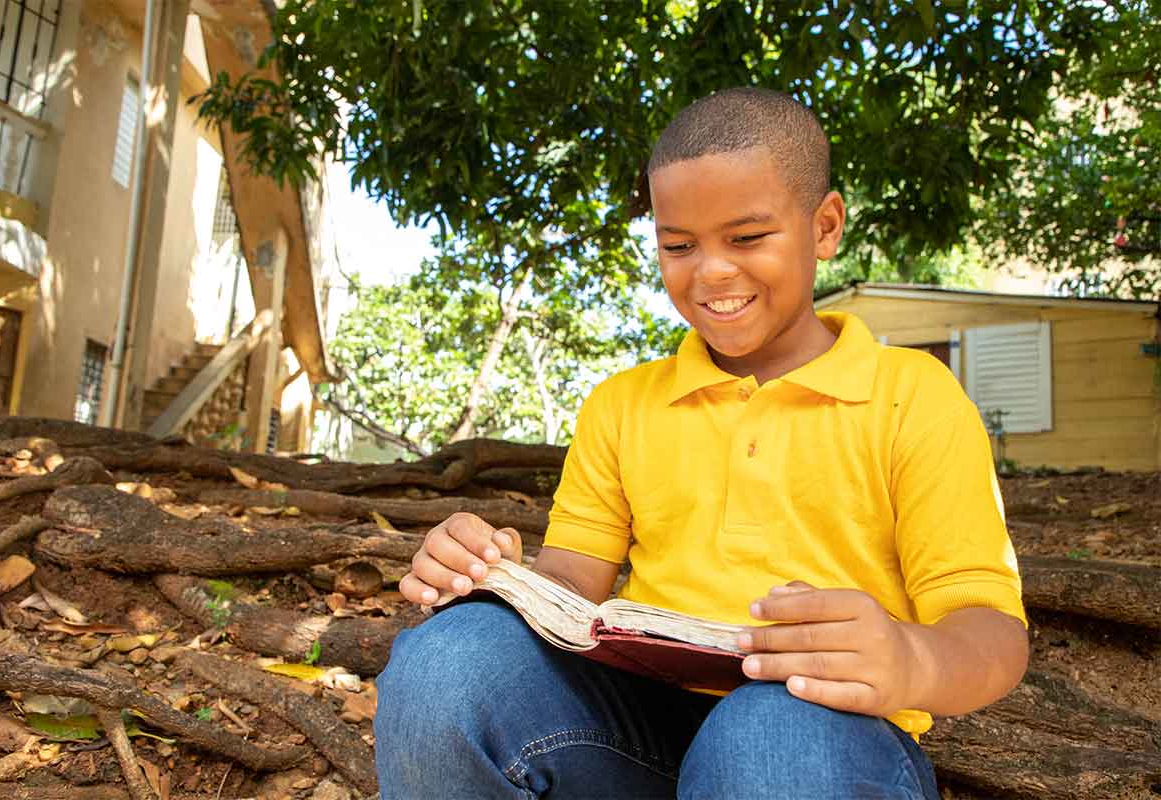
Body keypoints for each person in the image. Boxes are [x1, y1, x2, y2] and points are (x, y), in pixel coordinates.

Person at [374, 87, 1028, 799]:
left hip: (820, 743)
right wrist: (491, 576)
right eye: (678, 245)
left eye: (746, 239)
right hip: (637, 734)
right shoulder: (622, 404)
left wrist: (910, 659)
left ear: (826, 226)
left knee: (764, 734)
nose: (711, 271)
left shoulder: (913, 397)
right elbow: (570, 585)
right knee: (446, 661)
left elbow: (992, 631)